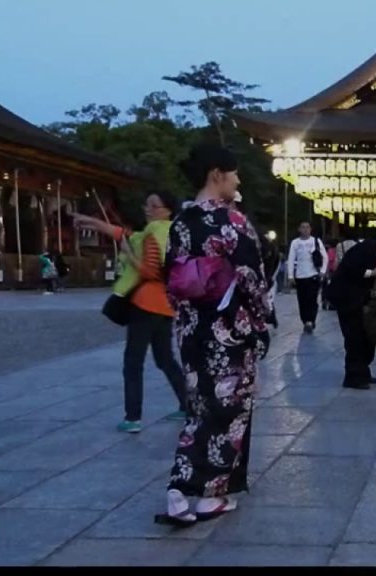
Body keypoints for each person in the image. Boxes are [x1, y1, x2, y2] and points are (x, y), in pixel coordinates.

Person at [158, 144, 270, 526]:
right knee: (229, 411)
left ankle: (179, 488)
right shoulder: (232, 222)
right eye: (234, 173)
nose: (238, 180)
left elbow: (172, 281)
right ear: (217, 174)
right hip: (229, 332)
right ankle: (211, 495)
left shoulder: (181, 223)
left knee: (200, 407)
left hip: (192, 329)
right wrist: (260, 321)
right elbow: (253, 279)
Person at [73, 191, 188, 434]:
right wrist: (94, 223)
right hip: (166, 306)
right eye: (146, 205)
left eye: (154, 206)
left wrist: (128, 253)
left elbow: (149, 271)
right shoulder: (174, 233)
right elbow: (124, 233)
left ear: (167, 210)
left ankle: (133, 417)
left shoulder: (153, 233)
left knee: (133, 362)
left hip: (145, 304)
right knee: (165, 358)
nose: (148, 210)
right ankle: (188, 404)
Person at [326, 233, 376, 390]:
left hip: (366, 304)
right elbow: (349, 269)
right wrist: (371, 273)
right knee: (354, 338)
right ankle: (353, 377)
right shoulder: (364, 248)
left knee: (368, 338)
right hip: (347, 299)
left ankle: (364, 371)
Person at [286, 222, 328, 334]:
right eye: (303, 227)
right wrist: (290, 275)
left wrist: (323, 271)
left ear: (311, 229)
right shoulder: (295, 243)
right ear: (299, 229)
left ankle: (311, 320)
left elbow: (325, 257)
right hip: (300, 276)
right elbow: (291, 259)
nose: (305, 230)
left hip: (313, 275)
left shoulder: (316, 241)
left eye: (307, 227)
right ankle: (305, 320)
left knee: (312, 299)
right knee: (302, 300)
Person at [322, 239, 339, 311]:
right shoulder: (336, 251)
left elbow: (328, 262)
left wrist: (326, 272)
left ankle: (325, 302)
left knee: (327, 288)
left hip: (330, 272)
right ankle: (332, 303)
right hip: (335, 272)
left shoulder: (330, 251)